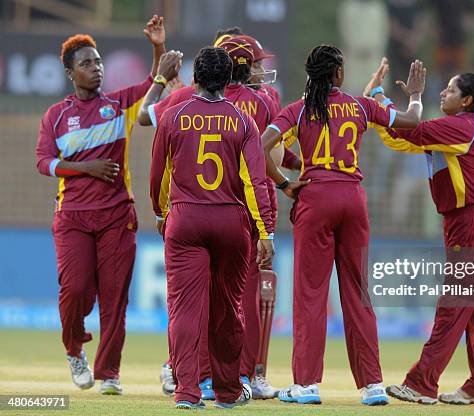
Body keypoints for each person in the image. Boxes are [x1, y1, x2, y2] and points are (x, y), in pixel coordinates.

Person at [260, 44, 426, 406]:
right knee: (358, 292)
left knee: (311, 294)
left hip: (315, 198)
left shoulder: (298, 110)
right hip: (353, 199)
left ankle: (305, 385)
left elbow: (260, 147)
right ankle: (373, 386)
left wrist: (285, 183)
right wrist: (414, 95)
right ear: (338, 74)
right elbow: (412, 123)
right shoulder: (361, 106)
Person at [138, 34, 291, 400]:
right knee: (231, 310)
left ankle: (188, 391)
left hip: (186, 218)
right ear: (228, 78)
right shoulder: (244, 121)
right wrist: (265, 230)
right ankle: (227, 388)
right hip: (231, 222)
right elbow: (255, 182)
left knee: (185, 310)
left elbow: (158, 173)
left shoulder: (174, 115)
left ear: (196, 76)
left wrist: (161, 212)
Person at [34, 15, 180, 395]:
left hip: (117, 216)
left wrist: (157, 46)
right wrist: (87, 168)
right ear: (70, 73)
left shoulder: (118, 105)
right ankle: (74, 348)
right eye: (86, 63)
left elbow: (154, 87)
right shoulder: (56, 116)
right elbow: (43, 163)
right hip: (73, 218)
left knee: (115, 300)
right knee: (75, 290)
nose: (95, 68)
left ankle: (110, 373)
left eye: (98, 62)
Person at [365, 61, 474, 405]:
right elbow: (401, 139)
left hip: (471, 221)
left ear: (467, 101)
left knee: (455, 301)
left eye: (452, 89)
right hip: (466, 220)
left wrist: (408, 97)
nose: (444, 92)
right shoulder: (455, 127)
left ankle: (423, 382)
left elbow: (410, 132)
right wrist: (379, 97)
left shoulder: (460, 126)